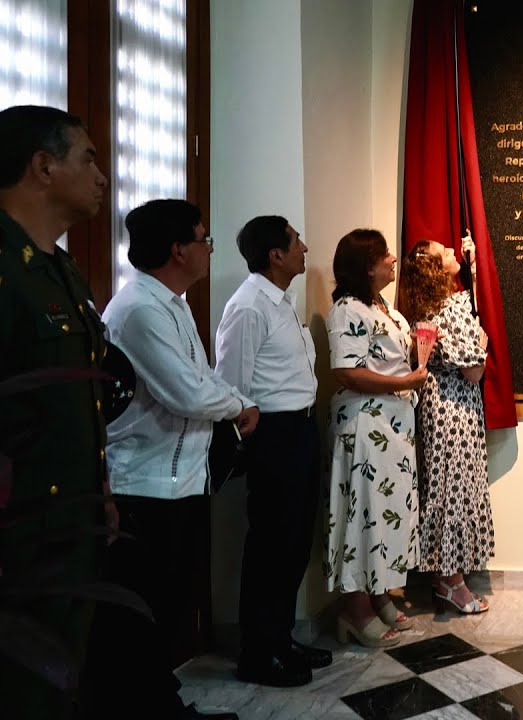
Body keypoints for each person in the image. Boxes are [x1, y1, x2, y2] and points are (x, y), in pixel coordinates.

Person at [102, 199, 257, 719]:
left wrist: (233, 401)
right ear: (178, 249)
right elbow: (187, 393)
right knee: (143, 611)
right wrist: (240, 405)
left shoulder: (173, 302)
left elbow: (203, 376)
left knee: (170, 605)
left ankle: (162, 701)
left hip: (181, 480)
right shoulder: (140, 309)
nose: (210, 249)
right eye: (204, 239)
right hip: (144, 483)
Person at [0, 105, 111, 719]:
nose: (102, 176)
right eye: (87, 158)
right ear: (43, 166)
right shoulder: (5, 269)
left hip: (73, 520)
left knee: (60, 676)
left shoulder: (62, 269)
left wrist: (99, 490)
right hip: (19, 533)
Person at [214, 216, 331, 686]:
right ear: (275, 256)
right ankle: (258, 654)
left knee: (295, 543)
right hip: (272, 436)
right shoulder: (248, 307)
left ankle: (280, 638)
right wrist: (250, 441)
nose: (305, 246)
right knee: (270, 546)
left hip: (300, 431)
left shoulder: (282, 302)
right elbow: (232, 383)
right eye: (295, 240)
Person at [323, 228, 427, 647]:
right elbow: (346, 371)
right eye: (386, 255)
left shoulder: (383, 307)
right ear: (367, 265)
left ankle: (379, 591)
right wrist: (406, 379)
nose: (393, 259)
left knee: (385, 512)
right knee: (362, 511)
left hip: (394, 429)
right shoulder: (347, 309)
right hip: (366, 430)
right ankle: (354, 608)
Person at [399, 240, 493, 614]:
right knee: (455, 491)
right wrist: (482, 345)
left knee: (443, 488)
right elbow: (473, 371)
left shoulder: (424, 308)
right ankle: (452, 583)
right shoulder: (452, 307)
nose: (455, 252)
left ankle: (444, 579)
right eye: (447, 252)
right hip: (457, 410)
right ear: (436, 269)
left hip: (437, 409)